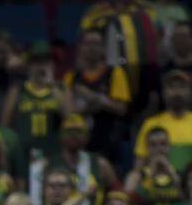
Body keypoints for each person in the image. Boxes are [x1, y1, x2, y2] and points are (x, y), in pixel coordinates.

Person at [63, 28, 131, 160]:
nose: (91, 48)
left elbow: (122, 108)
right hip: (79, 146)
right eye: (88, 43)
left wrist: (95, 98)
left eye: (96, 43)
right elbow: (68, 112)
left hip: (108, 144)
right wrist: (89, 107)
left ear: (103, 48)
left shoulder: (114, 73)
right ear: (81, 47)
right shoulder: (71, 77)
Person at [134, 70, 192, 175]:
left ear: (190, 92)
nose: (177, 92)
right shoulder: (150, 124)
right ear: (164, 92)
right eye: (171, 87)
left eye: (182, 87)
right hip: (158, 187)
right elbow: (138, 168)